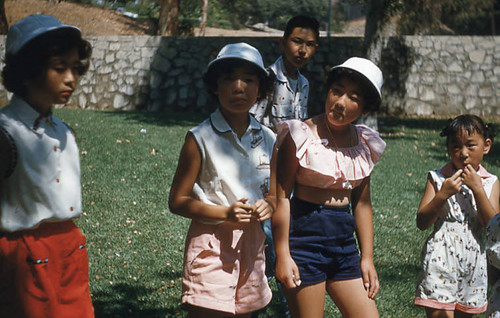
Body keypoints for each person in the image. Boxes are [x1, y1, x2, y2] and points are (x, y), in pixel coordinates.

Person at [168, 42, 277, 318]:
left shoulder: (269, 139)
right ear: (215, 86)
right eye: (228, 79)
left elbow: (275, 195)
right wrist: (224, 213)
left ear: (261, 90)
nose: (238, 87)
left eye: (249, 80)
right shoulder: (199, 138)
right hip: (211, 245)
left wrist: (270, 206)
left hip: (253, 245)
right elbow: (177, 201)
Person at [272, 57, 385, 318]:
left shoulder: (363, 143)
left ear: (365, 108)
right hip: (304, 241)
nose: (340, 102)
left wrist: (366, 257)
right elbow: (281, 198)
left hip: (344, 246)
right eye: (337, 91)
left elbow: (362, 203)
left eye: (353, 97)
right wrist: (283, 255)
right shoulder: (300, 135)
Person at [0, 14, 94, 317]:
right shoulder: (6, 133)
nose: (71, 78)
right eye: (59, 68)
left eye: (75, 69)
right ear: (27, 71)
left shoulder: (63, 131)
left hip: (70, 248)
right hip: (23, 254)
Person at [414, 115, 499, 317]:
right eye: (455, 146)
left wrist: (478, 190)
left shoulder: (491, 182)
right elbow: (422, 221)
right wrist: (443, 194)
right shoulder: (437, 178)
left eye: (471, 146)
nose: (463, 153)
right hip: (440, 258)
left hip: (474, 264)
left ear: (486, 146)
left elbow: (493, 226)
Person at [250, 15, 319, 132]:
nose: (303, 50)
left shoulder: (304, 83)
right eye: (297, 42)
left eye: (309, 45)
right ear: (283, 43)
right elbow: (252, 123)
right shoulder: (267, 78)